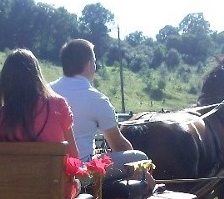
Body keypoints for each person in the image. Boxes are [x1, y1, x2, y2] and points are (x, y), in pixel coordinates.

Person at [50, 38, 153, 186]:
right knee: (139, 156)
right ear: (89, 65)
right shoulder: (97, 99)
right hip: (81, 171)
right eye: (94, 62)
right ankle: (148, 187)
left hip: (51, 168)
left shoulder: (47, 91)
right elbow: (119, 145)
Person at [0, 48, 77, 159]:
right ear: (36, 75)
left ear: (6, 80)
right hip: (51, 175)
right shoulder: (58, 105)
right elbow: (74, 157)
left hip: (11, 176)